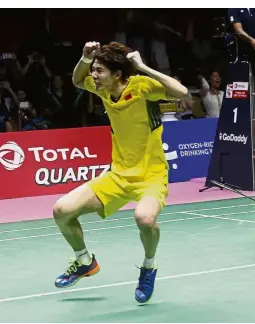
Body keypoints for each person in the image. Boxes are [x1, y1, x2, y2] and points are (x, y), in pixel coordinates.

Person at [52, 41, 188, 304]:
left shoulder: (141, 86)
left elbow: (180, 92)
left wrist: (143, 67)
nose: (94, 75)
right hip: (117, 175)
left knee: (145, 219)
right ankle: (85, 261)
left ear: (117, 74)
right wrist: (84, 58)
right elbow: (78, 81)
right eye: (94, 70)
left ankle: (149, 267)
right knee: (62, 210)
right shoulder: (102, 88)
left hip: (151, 175)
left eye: (99, 70)